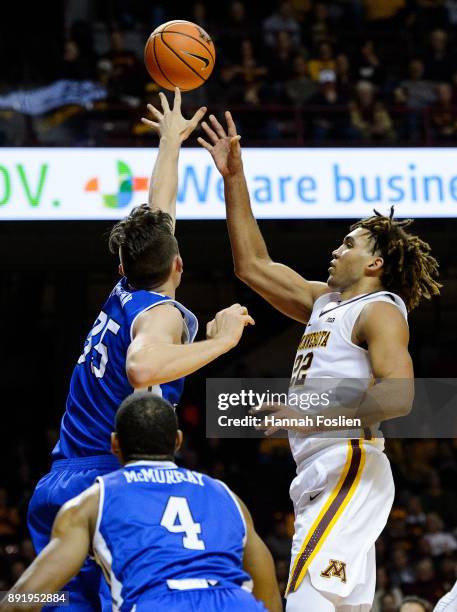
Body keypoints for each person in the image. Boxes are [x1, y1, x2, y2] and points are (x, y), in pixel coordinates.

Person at [198, 111, 441, 611]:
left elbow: (399, 394)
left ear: (374, 264)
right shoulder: (324, 303)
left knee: (306, 603)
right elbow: (253, 266)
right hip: (319, 469)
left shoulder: (379, 310)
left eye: (348, 244)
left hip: (348, 462)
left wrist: (309, 415)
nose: (336, 250)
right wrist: (233, 177)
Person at [27, 90, 255, 611]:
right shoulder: (162, 315)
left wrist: (170, 142)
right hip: (106, 484)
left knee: (42, 600)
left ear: (124, 263)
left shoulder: (126, 288)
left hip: (57, 483)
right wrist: (219, 341)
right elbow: (143, 365)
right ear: (178, 266)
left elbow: (159, 211)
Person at [1, 393, 282, 612]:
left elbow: (27, 598)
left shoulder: (92, 501)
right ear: (178, 441)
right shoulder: (226, 495)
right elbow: (268, 595)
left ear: (114, 444)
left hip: (157, 602)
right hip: (235, 604)